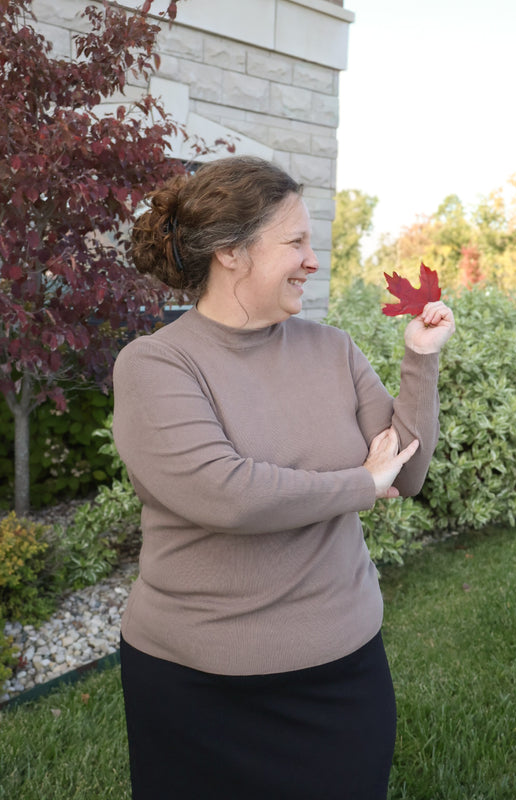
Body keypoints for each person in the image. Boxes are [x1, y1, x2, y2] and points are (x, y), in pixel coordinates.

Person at [112, 155, 455, 800]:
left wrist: (420, 362)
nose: (312, 260)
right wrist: (359, 482)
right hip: (197, 684)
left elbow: (403, 475)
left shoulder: (333, 349)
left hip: (341, 669)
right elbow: (226, 493)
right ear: (231, 253)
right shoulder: (157, 364)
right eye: (295, 242)